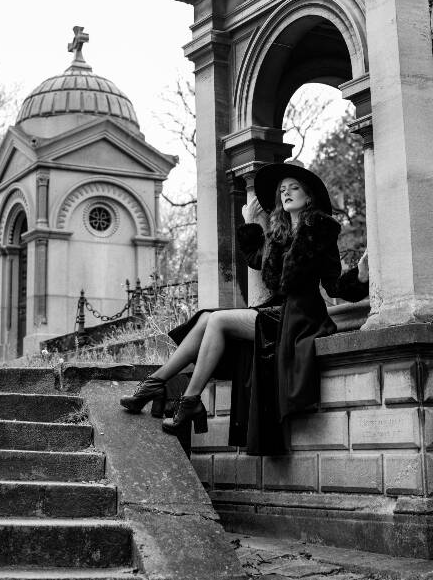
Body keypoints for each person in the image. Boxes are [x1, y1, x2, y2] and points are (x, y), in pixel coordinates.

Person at [120, 161, 369, 455]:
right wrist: (251, 222)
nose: (286, 193)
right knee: (206, 320)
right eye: (283, 190)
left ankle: (185, 399)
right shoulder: (280, 233)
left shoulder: (320, 230)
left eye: (294, 188)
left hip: (302, 318)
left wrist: (360, 278)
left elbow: (332, 286)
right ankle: (157, 385)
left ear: (309, 196)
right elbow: (256, 260)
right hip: (278, 312)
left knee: (217, 321)